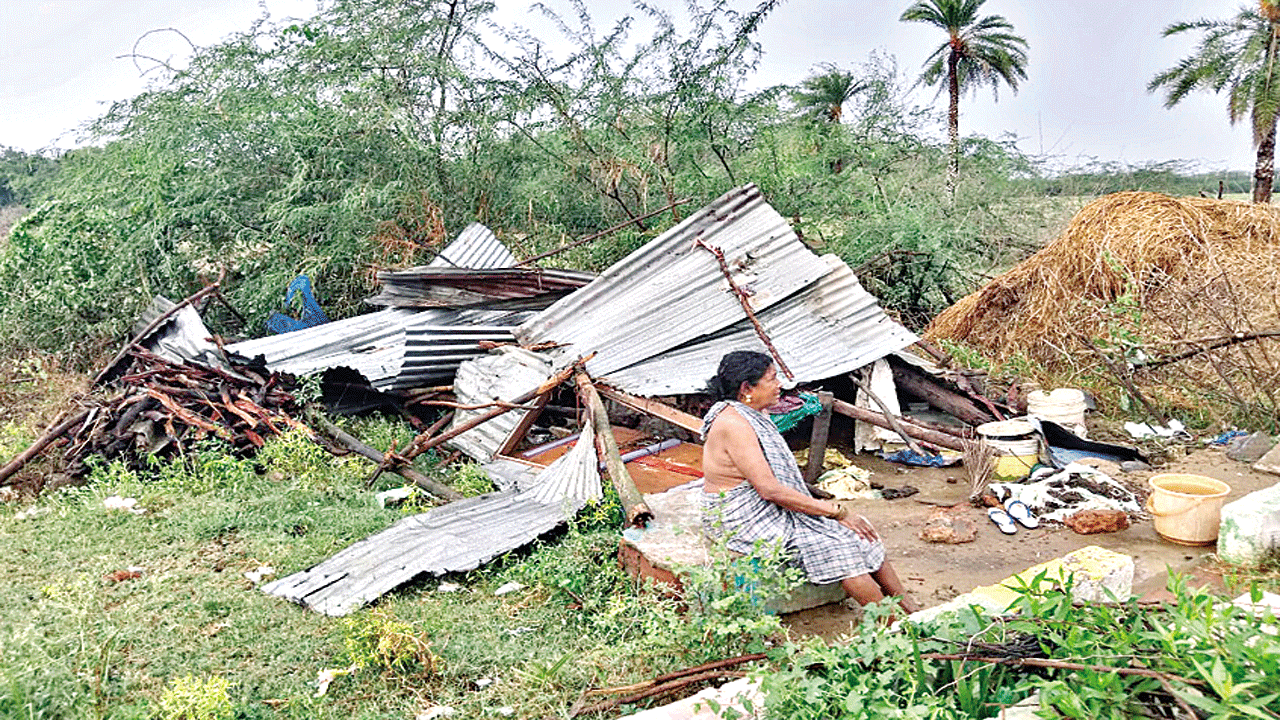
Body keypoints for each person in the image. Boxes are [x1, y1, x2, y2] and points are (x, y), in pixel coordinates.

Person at [701, 350, 920, 614]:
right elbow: (769, 489)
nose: (780, 384)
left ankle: (909, 606)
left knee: (861, 530)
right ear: (747, 387)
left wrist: (834, 514)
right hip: (741, 518)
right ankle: (891, 622)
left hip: (763, 505)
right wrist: (836, 511)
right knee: (834, 544)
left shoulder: (753, 413)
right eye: (772, 379)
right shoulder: (734, 424)